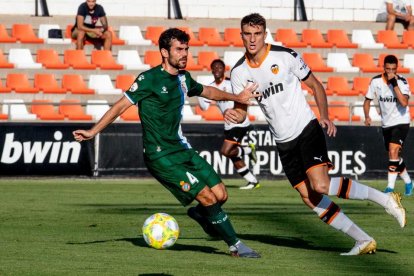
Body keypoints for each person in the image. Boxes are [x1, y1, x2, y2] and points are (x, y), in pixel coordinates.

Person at [225, 13, 407, 256]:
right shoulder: (238, 72)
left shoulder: (284, 56)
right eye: (247, 34)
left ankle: (387, 200)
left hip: (306, 128)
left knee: (320, 185)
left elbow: (315, 85)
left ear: (264, 34)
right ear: (241, 36)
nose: (252, 39)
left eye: (257, 33)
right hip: (283, 141)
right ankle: (363, 240)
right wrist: (234, 114)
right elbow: (241, 110)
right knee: (309, 197)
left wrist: (324, 115)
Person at [73, 28, 261, 258]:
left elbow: (209, 92)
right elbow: (120, 106)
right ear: (164, 52)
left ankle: (202, 215)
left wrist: (237, 98)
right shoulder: (148, 79)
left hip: (182, 149)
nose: (184, 54)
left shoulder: (183, 78)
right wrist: (93, 131)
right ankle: (235, 245)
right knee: (207, 197)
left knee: (221, 195)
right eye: (179, 49)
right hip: (160, 156)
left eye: (186, 49)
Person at [198, 59, 260, 190]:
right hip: (228, 125)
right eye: (214, 68)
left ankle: (248, 149)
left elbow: (243, 96)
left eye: (219, 68)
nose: (217, 70)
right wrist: (200, 95)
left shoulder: (231, 83)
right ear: (211, 70)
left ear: (224, 69)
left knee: (225, 151)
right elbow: (204, 108)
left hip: (239, 123)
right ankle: (253, 181)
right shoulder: (211, 88)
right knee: (233, 155)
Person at [363, 54, 413, 196]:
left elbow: (404, 102)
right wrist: (367, 116)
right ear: (383, 68)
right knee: (394, 156)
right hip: (387, 124)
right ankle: (409, 182)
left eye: (393, 69)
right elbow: (367, 100)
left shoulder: (402, 82)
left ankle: (390, 188)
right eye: (388, 69)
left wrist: (394, 84)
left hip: (401, 121)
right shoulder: (376, 81)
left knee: (393, 151)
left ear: (397, 69)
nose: (391, 72)